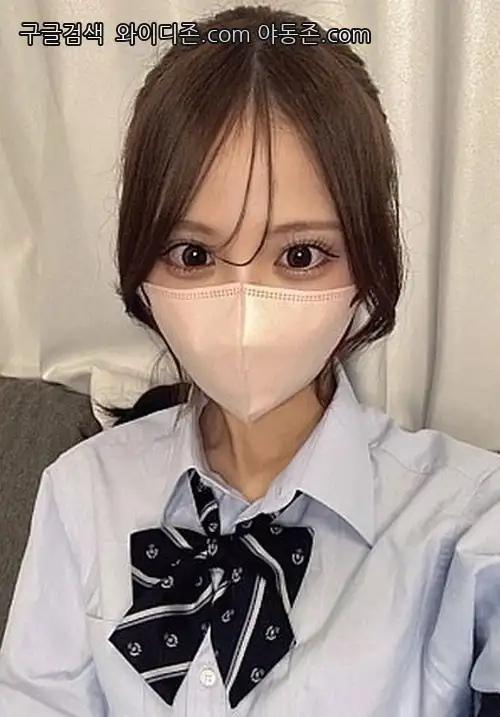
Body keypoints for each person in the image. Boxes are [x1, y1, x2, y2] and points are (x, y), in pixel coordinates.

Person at [0, 4, 499, 716]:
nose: (245, 307)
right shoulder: (82, 495)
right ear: (142, 264)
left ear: (368, 262)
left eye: (300, 255)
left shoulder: (467, 521)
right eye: (193, 254)